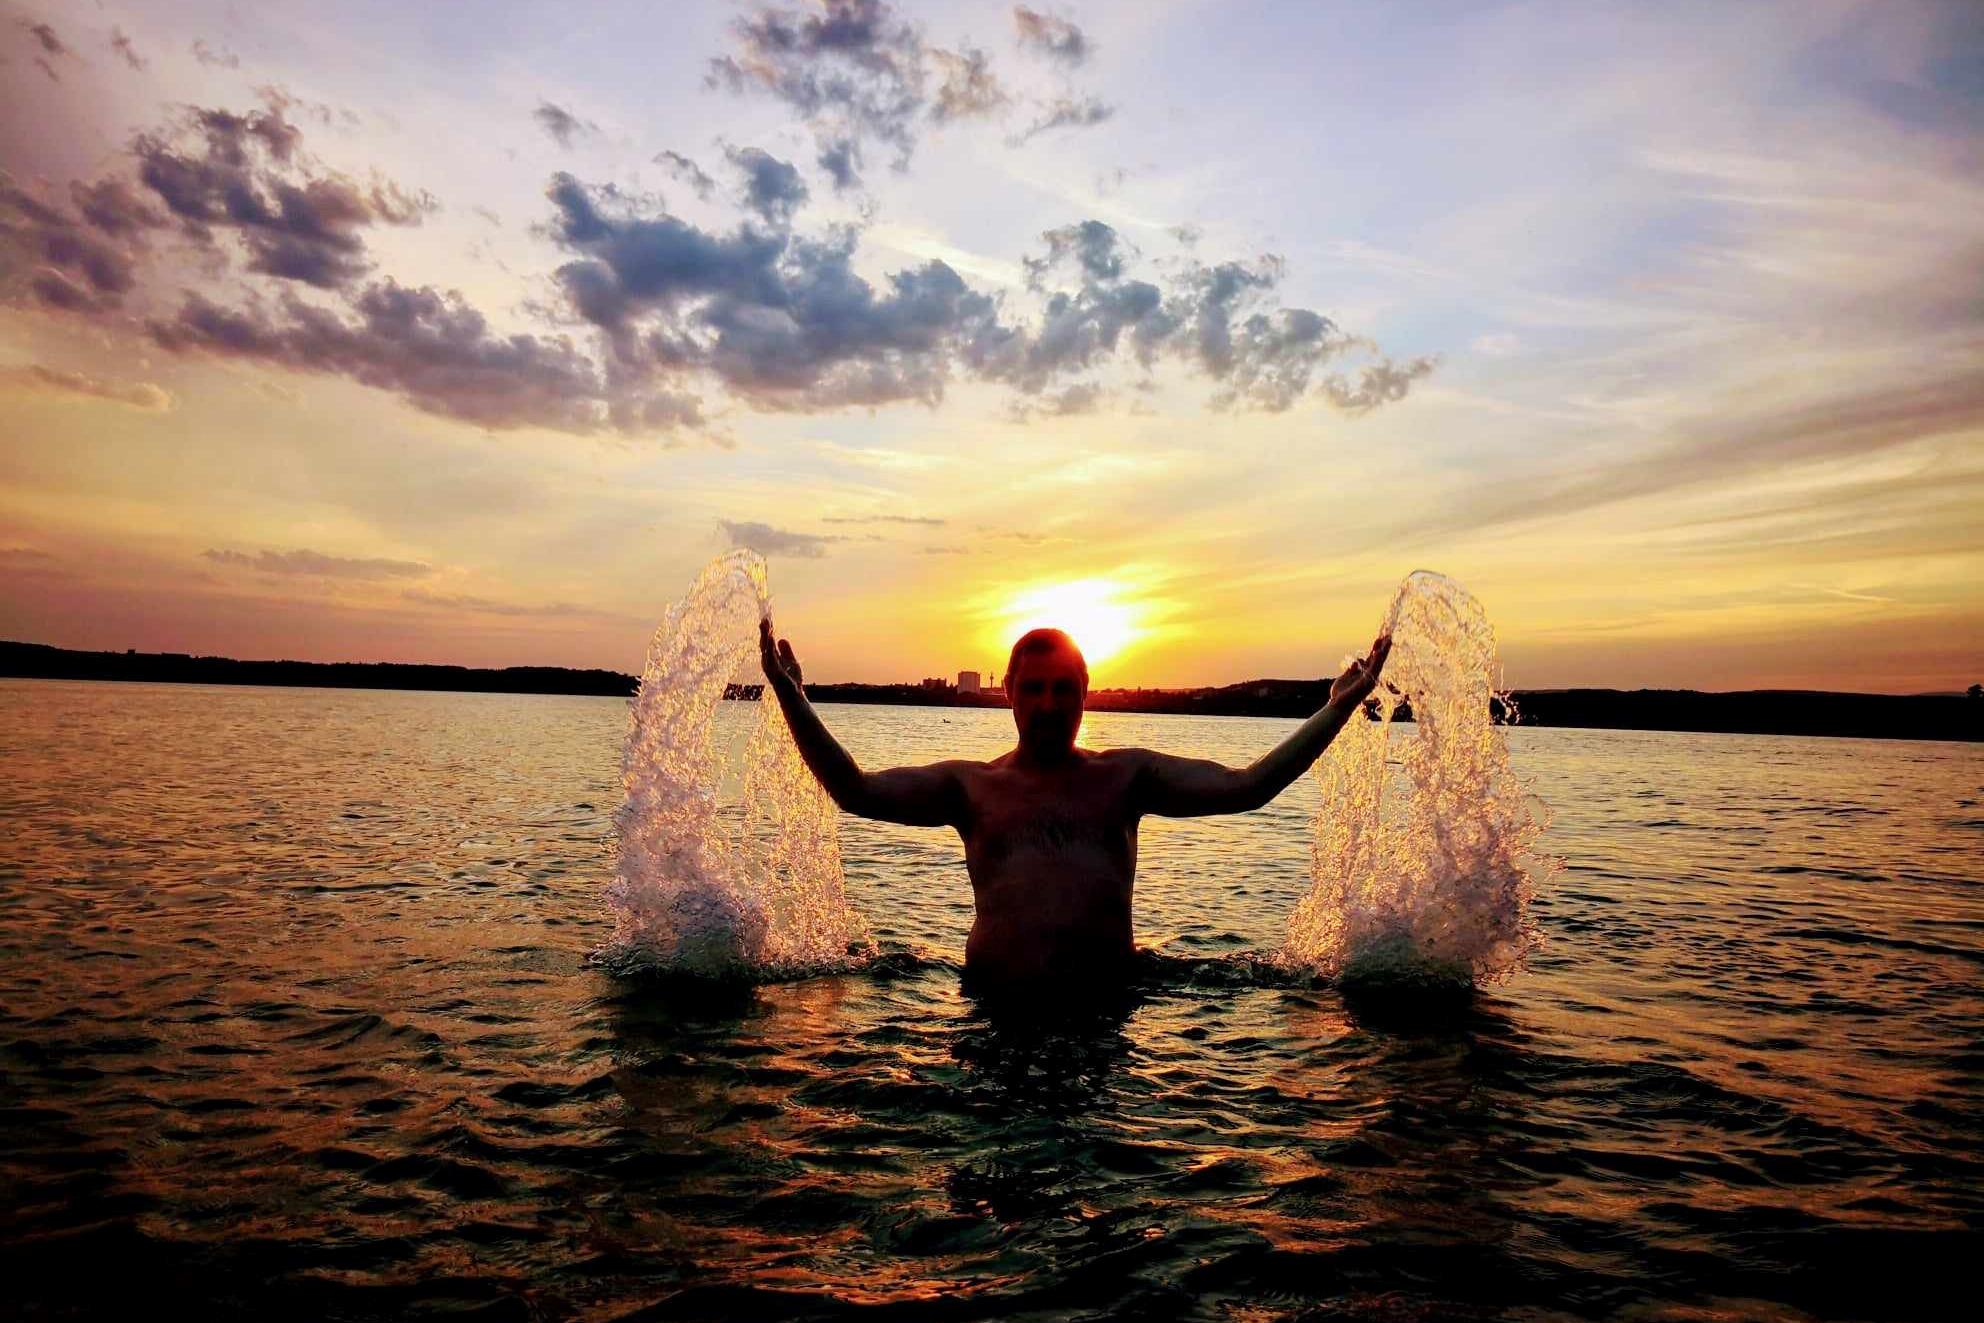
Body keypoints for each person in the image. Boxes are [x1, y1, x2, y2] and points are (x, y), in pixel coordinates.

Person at [759, 617, 1391, 995]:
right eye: (1032, 688)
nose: (1049, 703)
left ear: (1087, 693)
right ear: (1008, 692)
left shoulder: (1126, 777)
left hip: (1105, 1009)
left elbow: (1250, 785)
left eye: (1065, 688)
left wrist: (1336, 707)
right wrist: (793, 697)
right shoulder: (968, 787)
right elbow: (855, 790)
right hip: (991, 1010)